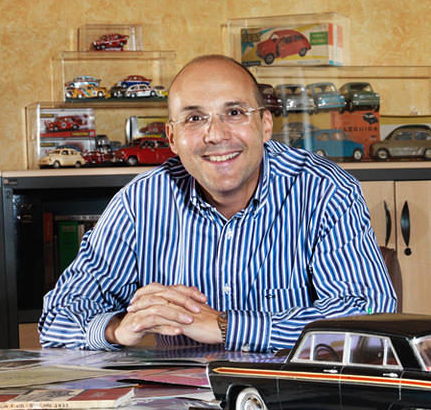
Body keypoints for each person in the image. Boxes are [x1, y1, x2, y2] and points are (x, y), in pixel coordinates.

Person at [38, 54, 396, 351]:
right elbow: (57, 317)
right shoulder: (140, 202)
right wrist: (118, 328)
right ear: (172, 137)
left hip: (294, 400)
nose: (215, 135)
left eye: (235, 112)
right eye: (195, 118)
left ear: (265, 125)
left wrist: (226, 326)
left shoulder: (323, 189)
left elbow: (370, 315)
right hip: (178, 403)